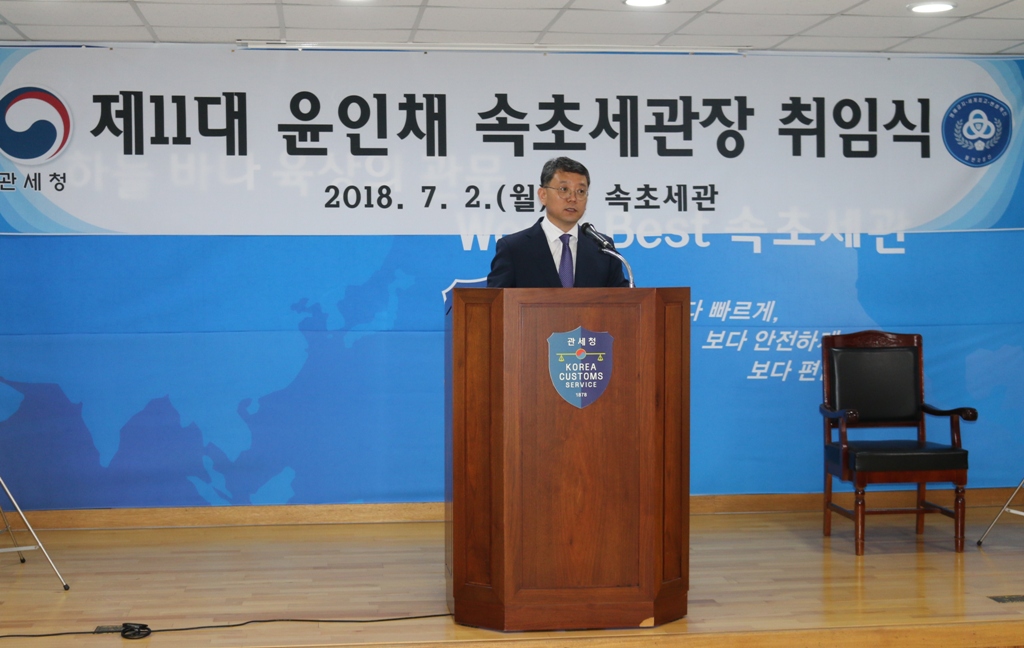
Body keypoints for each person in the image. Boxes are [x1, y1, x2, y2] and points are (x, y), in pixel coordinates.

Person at [486, 157, 630, 288]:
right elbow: (495, 302)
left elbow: (624, 301)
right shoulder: (514, 248)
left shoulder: (602, 248)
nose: (573, 198)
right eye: (564, 189)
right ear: (543, 195)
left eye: (581, 191)